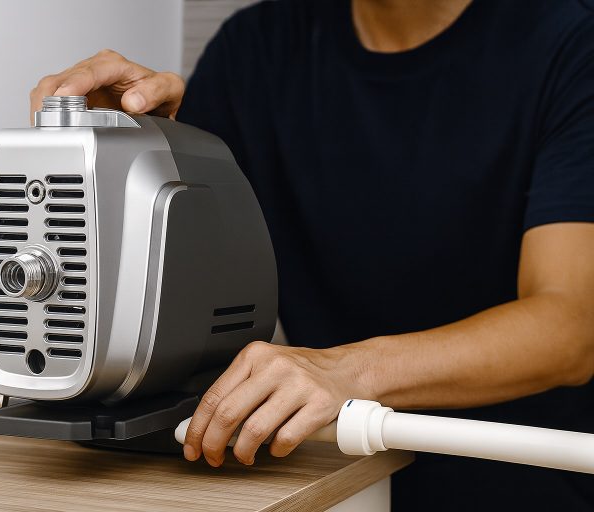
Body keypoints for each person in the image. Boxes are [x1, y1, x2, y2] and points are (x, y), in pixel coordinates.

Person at [30, 0, 594, 509]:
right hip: (321, 476)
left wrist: (351, 369)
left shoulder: (570, 43)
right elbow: (189, 281)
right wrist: (132, 151)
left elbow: (570, 327)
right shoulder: (257, 47)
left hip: (523, 473)